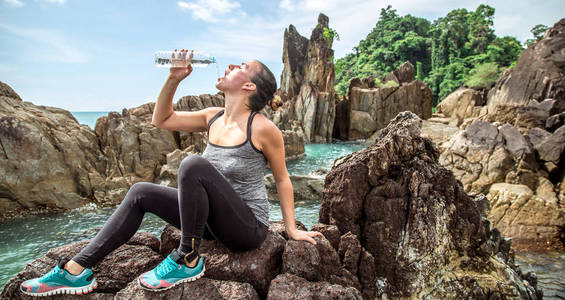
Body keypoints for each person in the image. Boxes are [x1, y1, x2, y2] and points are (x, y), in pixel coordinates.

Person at [20, 49, 322, 296]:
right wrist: (174, 79)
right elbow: (161, 119)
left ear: (249, 87)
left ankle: (187, 258)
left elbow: (282, 179)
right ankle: (76, 270)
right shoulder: (211, 117)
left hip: (247, 229)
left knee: (193, 165)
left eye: (241, 65)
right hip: (210, 224)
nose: (230, 64)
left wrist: (291, 228)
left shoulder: (264, 129)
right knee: (140, 192)